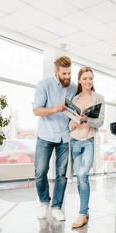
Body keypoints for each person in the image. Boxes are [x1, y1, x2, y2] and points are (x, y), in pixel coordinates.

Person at [32, 56, 76, 221]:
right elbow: (36, 110)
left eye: (69, 73)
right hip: (45, 136)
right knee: (40, 171)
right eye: (64, 73)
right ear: (56, 72)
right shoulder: (44, 84)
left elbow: (75, 110)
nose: (67, 77)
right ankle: (44, 202)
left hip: (64, 136)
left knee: (61, 175)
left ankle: (57, 206)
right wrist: (53, 109)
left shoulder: (73, 88)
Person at [70, 67, 105, 229]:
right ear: (79, 80)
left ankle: (82, 213)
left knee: (83, 175)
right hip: (75, 141)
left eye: (90, 78)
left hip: (89, 141)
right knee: (80, 178)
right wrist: (73, 123)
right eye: (85, 78)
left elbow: (100, 122)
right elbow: (69, 123)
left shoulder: (98, 98)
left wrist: (86, 120)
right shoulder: (74, 98)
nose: (88, 81)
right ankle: (85, 210)